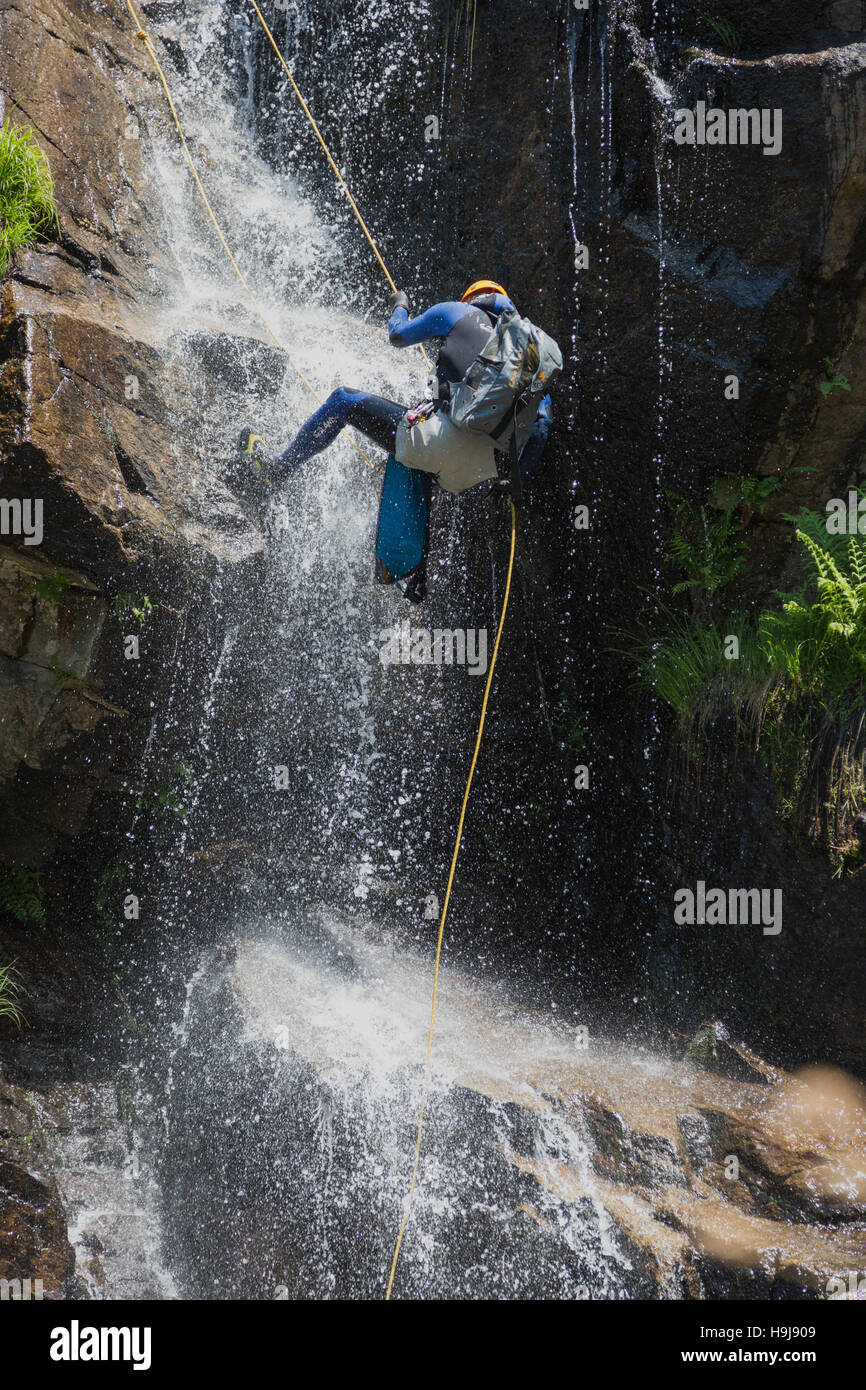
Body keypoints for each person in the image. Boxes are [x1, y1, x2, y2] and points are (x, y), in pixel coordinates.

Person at [237, 279, 553, 492]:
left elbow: (397, 335)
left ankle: (276, 473)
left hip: (437, 444)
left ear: (472, 299)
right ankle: (413, 576)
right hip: (481, 472)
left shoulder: (458, 311)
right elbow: (541, 426)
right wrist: (514, 483)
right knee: (427, 452)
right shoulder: (529, 358)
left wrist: (400, 305)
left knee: (344, 401)